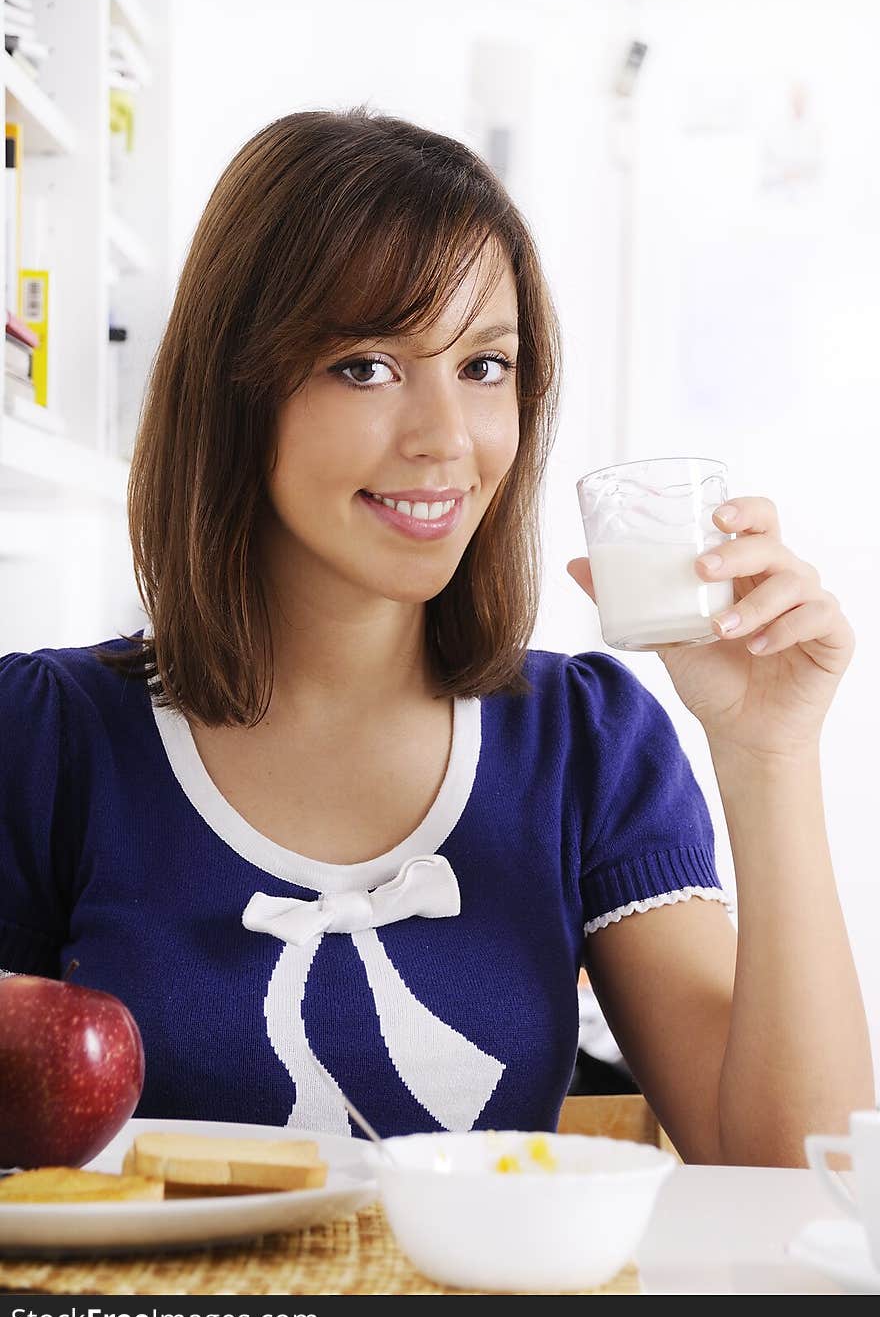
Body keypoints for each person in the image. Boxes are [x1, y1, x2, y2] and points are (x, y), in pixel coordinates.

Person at [0, 108, 873, 1165]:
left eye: (484, 366)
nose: (446, 440)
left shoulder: (583, 745)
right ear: (235, 389)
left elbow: (791, 1179)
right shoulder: (47, 741)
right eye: (366, 365)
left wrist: (766, 752)